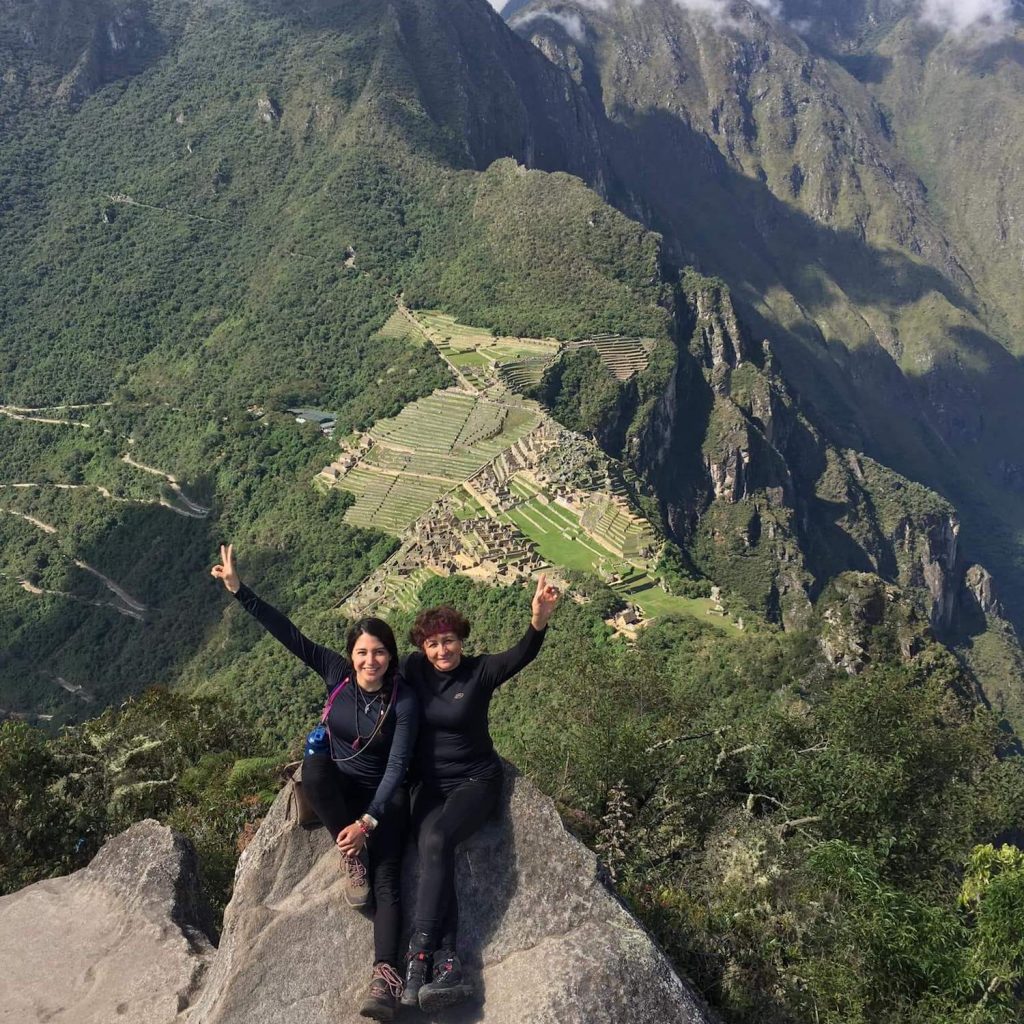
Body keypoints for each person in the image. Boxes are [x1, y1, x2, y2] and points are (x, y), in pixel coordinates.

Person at [210, 544, 417, 1022]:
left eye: (380, 652)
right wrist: (240, 591)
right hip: (341, 790)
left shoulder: (403, 702)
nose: (371, 661)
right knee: (316, 768)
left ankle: (385, 975)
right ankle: (349, 857)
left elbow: (399, 765)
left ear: (391, 656)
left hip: (385, 800)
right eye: (362, 652)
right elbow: (288, 634)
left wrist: (367, 821)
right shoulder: (337, 675)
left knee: (388, 880)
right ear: (351, 655)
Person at [399, 573, 561, 1011]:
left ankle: (418, 958)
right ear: (422, 649)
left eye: (449, 640)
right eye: (433, 644)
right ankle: (447, 964)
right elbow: (369, 671)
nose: (442, 650)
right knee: (436, 853)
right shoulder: (414, 670)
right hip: (429, 786)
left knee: (436, 840)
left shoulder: (481, 671)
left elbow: (521, 654)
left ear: (461, 640)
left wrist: (538, 620)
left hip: (475, 782)